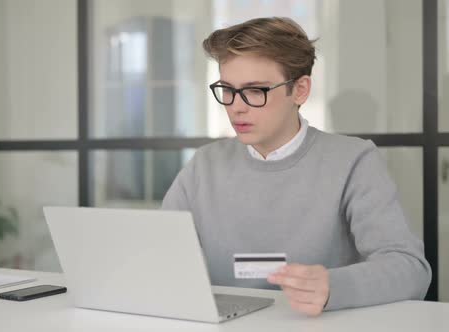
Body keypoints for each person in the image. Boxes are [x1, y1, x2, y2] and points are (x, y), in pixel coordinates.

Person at [161, 17, 431, 316]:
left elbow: (410, 269)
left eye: (255, 90)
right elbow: (156, 256)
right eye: (227, 89)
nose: (235, 106)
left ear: (300, 90)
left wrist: (333, 286)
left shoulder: (354, 160)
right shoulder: (204, 165)